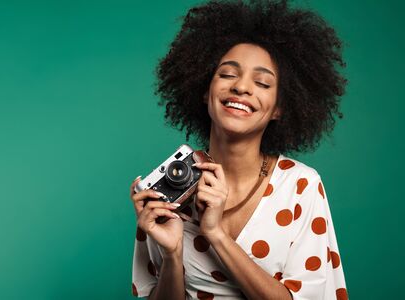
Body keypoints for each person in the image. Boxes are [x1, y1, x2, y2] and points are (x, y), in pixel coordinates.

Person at [130, 1, 348, 299]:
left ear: (279, 109)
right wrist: (172, 254)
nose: (242, 88)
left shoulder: (300, 186)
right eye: (228, 74)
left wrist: (216, 233)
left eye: (262, 82)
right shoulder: (169, 188)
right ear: (205, 91)